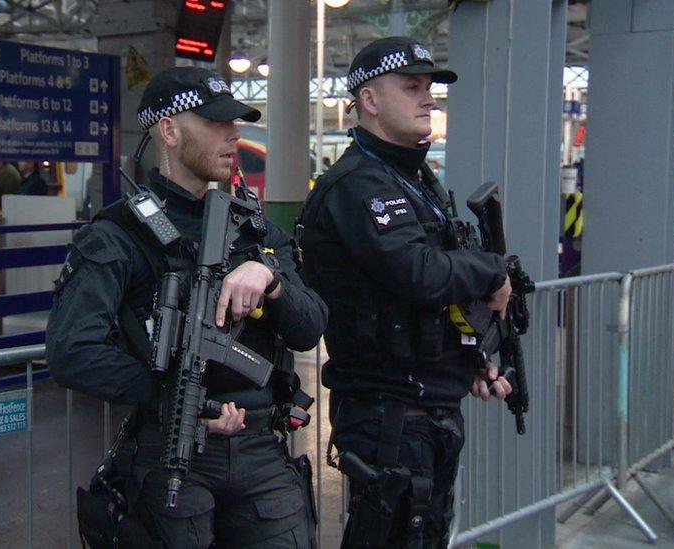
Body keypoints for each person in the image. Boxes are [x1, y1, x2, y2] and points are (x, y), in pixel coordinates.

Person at [46, 66, 327, 548]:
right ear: (170, 130)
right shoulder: (118, 235)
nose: (233, 133)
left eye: (233, 121)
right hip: (172, 451)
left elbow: (310, 327)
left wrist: (272, 279)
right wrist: (178, 401)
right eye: (215, 122)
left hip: (262, 448)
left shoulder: (256, 230)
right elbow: (72, 350)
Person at [298, 37, 513, 548]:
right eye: (412, 87)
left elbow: (437, 293)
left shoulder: (414, 178)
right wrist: (491, 270)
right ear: (369, 101)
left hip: (430, 409)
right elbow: (419, 273)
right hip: (389, 416)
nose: (429, 99)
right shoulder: (358, 183)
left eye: (430, 88)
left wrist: (474, 358)